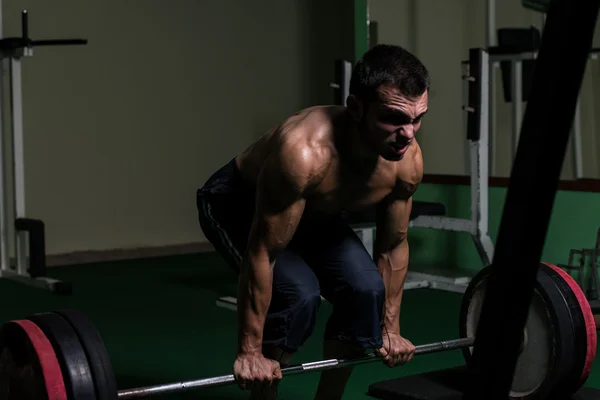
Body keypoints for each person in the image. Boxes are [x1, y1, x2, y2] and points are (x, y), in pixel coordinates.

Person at [196, 44, 429, 400]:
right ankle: (264, 395)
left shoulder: (406, 160)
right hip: (238, 206)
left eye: (416, 118)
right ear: (356, 108)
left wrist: (390, 330)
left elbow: (392, 245)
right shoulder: (304, 153)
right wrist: (249, 352)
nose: (409, 133)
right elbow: (263, 253)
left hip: (315, 213)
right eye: (394, 118)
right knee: (298, 294)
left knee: (366, 291)